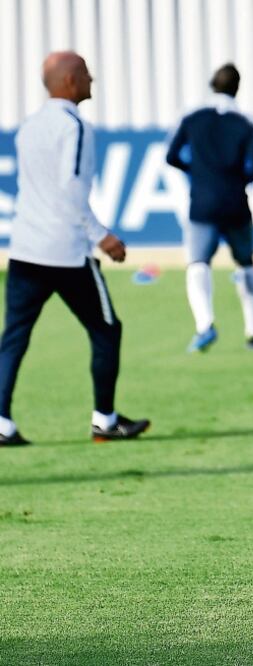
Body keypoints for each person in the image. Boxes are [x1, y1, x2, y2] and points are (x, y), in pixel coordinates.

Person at [0, 52, 150, 446]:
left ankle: (1, 422)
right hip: (65, 252)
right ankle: (105, 419)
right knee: (106, 331)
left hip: (25, 249)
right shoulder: (75, 127)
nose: (92, 79)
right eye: (85, 72)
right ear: (68, 80)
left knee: (13, 337)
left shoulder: (28, 127)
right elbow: (70, 189)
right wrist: (102, 235)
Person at [166, 63, 253, 352]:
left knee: (198, 264)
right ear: (238, 87)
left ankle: (204, 325)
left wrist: (198, 172)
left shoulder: (193, 117)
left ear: (212, 84)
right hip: (236, 202)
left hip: (202, 203)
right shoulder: (245, 122)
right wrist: (236, 180)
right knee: (246, 263)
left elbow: (171, 155)